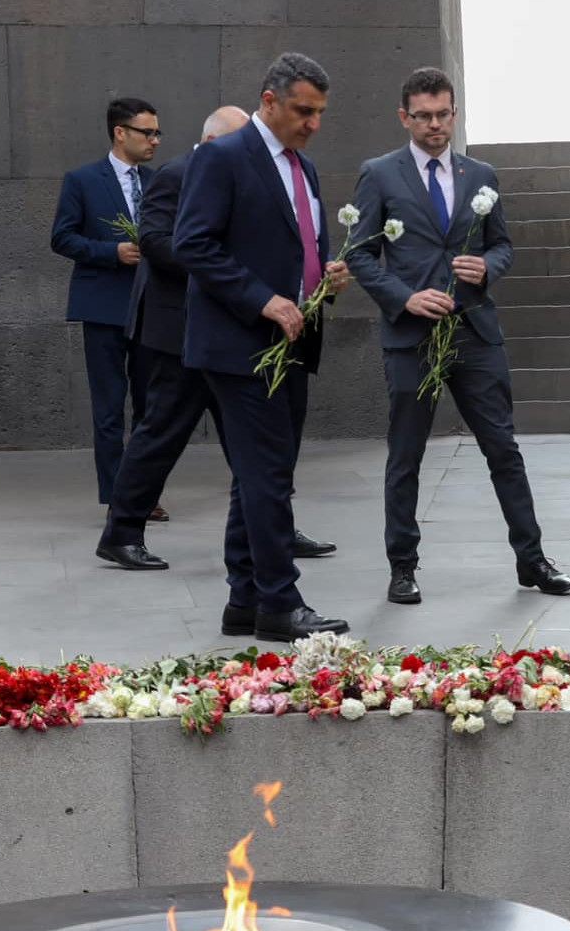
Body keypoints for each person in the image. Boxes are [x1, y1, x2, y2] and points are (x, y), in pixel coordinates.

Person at [343, 67, 570, 605]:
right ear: (405, 117)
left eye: (442, 114)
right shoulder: (379, 174)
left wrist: (488, 267)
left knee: (504, 450)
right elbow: (358, 252)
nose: (434, 125)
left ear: (454, 112)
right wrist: (404, 297)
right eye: (422, 116)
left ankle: (532, 559)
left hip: (474, 332)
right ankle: (402, 567)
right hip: (411, 337)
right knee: (405, 456)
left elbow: (505, 245)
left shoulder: (482, 175)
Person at [94, 105, 337, 580]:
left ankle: (276, 528)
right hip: (178, 332)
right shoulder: (176, 174)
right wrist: (223, 271)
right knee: (162, 432)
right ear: (212, 142)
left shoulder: (258, 172)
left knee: (258, 444)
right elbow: (157, 240)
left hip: (235, 331)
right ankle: (121, 532)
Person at [173, 54, 352, 643]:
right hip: (239, 346)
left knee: (257, 475)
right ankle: (280, 602)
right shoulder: (223, 157)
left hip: (292, 343)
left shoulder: (304, 167)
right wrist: (264, 300)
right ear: (269, 101)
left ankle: (245, 598)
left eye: (321, 112)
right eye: (304, 110)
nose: (314, 123)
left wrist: (323, 280)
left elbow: (292, 241)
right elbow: (192, 244)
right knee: (268, 477)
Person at [52, 97, 160, 514]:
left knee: (150, 407)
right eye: (146, 132)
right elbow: (62, 238)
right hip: (104, 307)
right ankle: (118, 498)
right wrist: (110, 252)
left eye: (156, 133)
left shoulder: (158, 180)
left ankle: (144, 492)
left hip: (152, 308)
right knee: (109, 408)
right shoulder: (82, 180)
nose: (154, 140)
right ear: (120, 132)